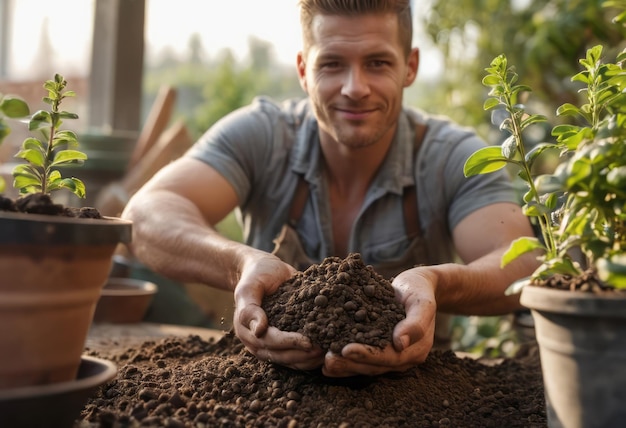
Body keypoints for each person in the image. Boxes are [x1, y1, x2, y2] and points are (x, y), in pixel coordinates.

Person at [122, 0, 538, 377]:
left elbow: (522, 261)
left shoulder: (452, 156)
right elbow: (145, 215)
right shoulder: (262, 136)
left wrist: (435, 282)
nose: (355, 87)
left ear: (409, 67)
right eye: (333, 64)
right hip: (266, 393)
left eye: (377, 63)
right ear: (304, 70)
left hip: (416, 395)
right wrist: (240, 264)